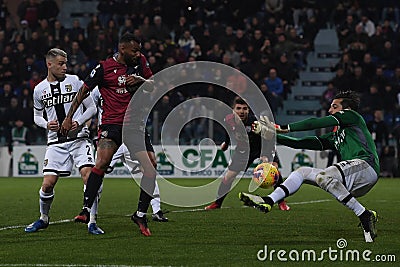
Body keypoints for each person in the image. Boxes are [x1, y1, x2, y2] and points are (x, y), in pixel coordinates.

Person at [241, 91, 379, 242]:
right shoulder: (335, 136)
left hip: (366, 166)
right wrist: (272, 136)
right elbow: (302, 143)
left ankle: (363, 214)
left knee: (323, 176)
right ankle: (268, 201)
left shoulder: (353, 116)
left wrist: (280, 127)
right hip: (353, 180)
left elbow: (314, 123)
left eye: (334, 107)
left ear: (346, 109)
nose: (330, 110)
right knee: (302, 172)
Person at [60, 33, 156, 236]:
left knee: (151, 167)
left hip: (135, 124)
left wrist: (140, 80)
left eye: (139, 51)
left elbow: (154, 86)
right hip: (111, 124)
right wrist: (69, 118)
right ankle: (86, 209)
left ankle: (140, 213)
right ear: (122, 49)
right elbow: (83, 91)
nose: (138, 54)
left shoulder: (140, 63)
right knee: (101, 163)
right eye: (134, 50)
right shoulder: (103, 68)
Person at [24, 48, 103, 235]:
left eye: (66, 63)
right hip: (55, 143)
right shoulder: (39, 89)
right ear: (49, 64)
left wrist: (79, 122)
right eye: (61, 64)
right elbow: (36, 116)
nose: (65, 67)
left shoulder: (75, 81)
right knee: (47, 184)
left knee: (88, 176)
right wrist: (46, 124)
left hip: (79, 139)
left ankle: (92, 221)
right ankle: (43, 218)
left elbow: (92, 108)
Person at [91, 87, 168, 222]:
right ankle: (91, 212)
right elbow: (90, 107)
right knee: (99, 171)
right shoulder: (99, 88)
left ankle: (156, 209)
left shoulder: (132, 84)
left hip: (131, 136)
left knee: (148, 171)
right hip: (111, 136)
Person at [205, 97, 290, 211]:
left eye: (245, 108)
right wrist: (226, 143)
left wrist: (265, 155)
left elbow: (269, 138)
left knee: (274, 171)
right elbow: (229, 131)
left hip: (263, 147)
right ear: (233, 110)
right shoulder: (228, 120)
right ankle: (217, 203)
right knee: (229, 176)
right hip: (243, 149)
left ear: (248, 110)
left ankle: (281, 202)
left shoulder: (255, 122)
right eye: (238, 108)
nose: (242, 111)